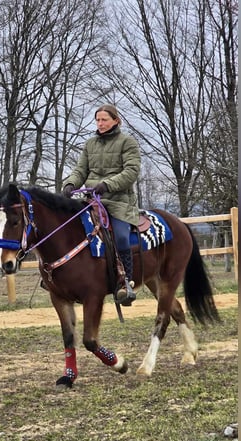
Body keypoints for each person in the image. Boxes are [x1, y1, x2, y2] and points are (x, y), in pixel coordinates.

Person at [61, 104, 141, 305]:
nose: (100, 123)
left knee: (121, 237)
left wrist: (107, 185)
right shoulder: (90, 144)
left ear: (116, 120)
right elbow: (81, 170)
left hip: (119, 202)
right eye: (97, 120)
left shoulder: (128, 142)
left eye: (104, 119)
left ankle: (126, 284)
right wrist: (70, 183)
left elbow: (131, 172)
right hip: (92, 200)